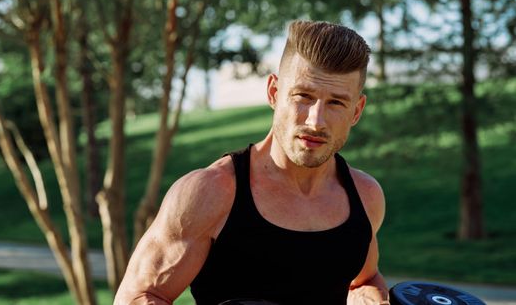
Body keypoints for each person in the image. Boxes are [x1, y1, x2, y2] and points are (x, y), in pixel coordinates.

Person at [114, 20, 389, 305]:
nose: (315, 121)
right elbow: (138, 296)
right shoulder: (210, 192)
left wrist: (375, 300)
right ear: (273, 92)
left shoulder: (365, 195)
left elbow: (365, 280)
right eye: (303, 97)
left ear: (356, 111)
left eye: (336, 103)